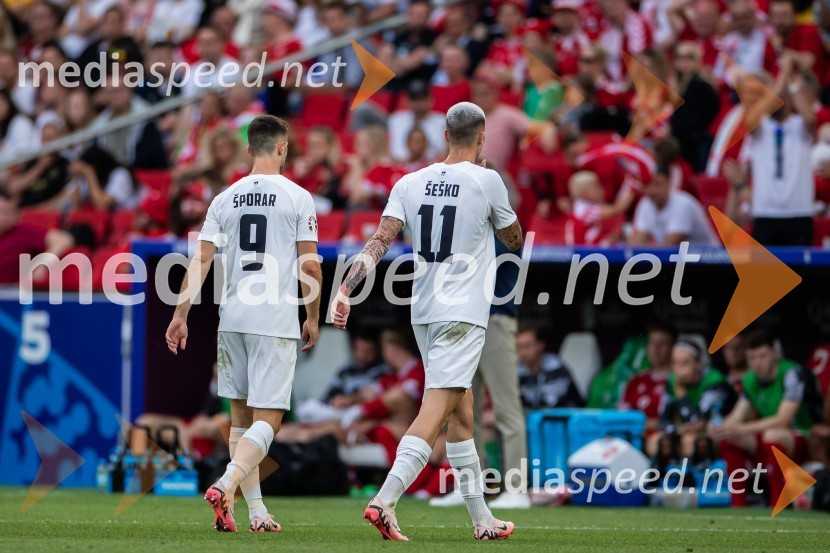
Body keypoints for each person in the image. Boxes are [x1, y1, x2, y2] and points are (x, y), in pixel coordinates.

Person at [329, 102, 523, 541]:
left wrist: (345, 289)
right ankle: (385, 500)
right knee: (436, 409)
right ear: (481, 138)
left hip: (424, 310)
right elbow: (513, 238)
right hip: (463, 311)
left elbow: (378, 242)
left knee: (462, 411)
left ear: (444, 136)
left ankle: (482, 521)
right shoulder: (488, 179)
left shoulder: (410, 181)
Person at [164, 115, 322, 533]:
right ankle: (226, 483)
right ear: (283, 148)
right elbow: (310, 265)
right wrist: (312, 316)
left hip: (231, 318)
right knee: (268, 420)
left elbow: (199, 260)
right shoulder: (298, 197)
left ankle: (255, 513)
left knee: (239, 420)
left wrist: (180, 313)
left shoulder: (224, 198)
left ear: (248, 149)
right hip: (274, 318)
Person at [711, 329, 823, 507]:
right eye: (752, 358)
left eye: (762, 356)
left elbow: (783, 420)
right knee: (729, 436)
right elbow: (738, 415)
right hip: (766, 441)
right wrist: (721, 427)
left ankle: (778, 501)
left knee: (773, 434)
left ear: (774, 354)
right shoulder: (749, 379)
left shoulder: (792, 373)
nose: (757, 363)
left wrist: (741, 428)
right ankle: (738, 503)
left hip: (802, 436)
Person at [650, 341, 737, 461]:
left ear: (698, 364)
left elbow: (697, 422)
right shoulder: (672, 380)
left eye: (685, 363)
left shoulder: (714, 382)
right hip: (687, 430)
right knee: (656, 440)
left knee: (689, 440)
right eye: (675, 363)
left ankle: (691, 478)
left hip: (721, 433)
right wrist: (677, 430)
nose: (679, 370)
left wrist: (681, 395)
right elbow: (663, 419)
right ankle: (659, 478)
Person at [629, 166, 719, 246]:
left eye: (657, 184)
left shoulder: (683, 204)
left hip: (710, 260)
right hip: (679, 261)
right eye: (648, 185)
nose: (652, 190)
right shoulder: (645, 203)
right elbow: (636, 244)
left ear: (668, 183)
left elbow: (668, 246)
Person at [0, 188, 74, 284]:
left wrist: (44, 263)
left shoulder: (23, 231)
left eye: (9, 212)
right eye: (2, 211)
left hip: (8, 294)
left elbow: (63, 239)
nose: (6, 216)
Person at [620, 323, 677, 435]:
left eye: (662, 343)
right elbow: (622, 417)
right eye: (652, 343)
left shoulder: (678, 381)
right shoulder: (635, 381)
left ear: (673, 348)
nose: (656, 348)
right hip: (633, 439)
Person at [516, 324, 584, 410]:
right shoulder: (516, 371)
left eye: (528, 346)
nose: (524, 352)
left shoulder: (555, 367)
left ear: (540, 345)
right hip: (534, 419)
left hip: (564, 419)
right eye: (519, 347)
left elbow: (550, 404)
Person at [567, 170, 634, 245]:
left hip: (588, 252)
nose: (602, 190)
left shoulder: (581, 206)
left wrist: (628, 182)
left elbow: (616, 205)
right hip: (583, 254)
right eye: (596, 187)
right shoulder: (584, 210)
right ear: (585, 192)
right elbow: (617, 209)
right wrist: (633, 187)